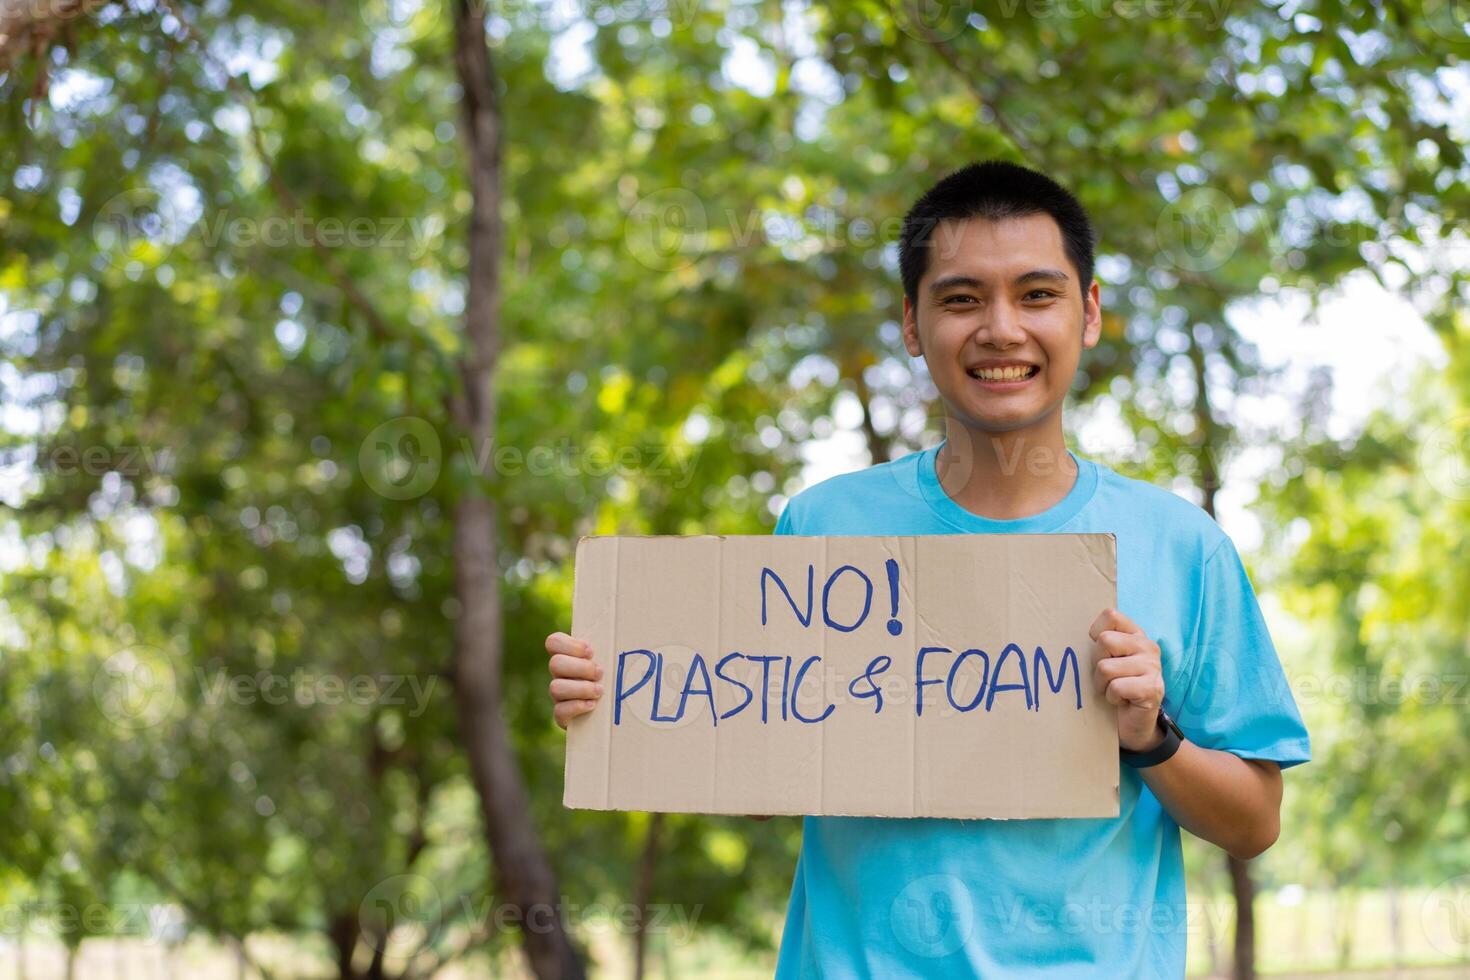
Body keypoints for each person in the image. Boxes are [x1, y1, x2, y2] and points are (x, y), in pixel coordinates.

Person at [544, 160, 1311, 977]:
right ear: (913, 325)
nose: (1002, 329)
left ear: (1088, 315)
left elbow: (1255, 822)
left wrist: (1151, 739)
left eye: (1038, 294)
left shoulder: (1182, 545)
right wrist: (620, 701)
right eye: (961, 298)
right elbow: (765, 785)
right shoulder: (824, 525)